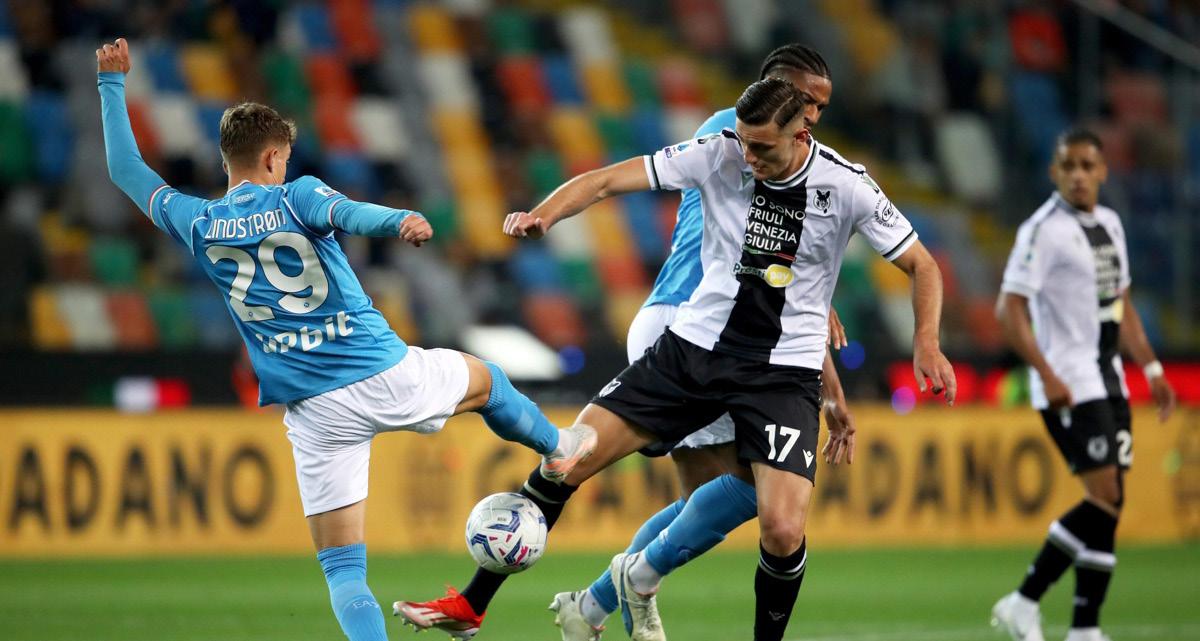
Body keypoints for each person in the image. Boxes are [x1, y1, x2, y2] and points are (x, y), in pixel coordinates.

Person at [396, 77, 955, 641]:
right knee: (568, 458)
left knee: (781, 528)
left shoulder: (847, 184)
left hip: (781, 377)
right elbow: (606, 179)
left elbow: (920, 265)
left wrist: (926, 343)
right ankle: (485, 602)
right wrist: (545, 214)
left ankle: (619, 590)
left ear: (801, 133)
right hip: (692, 350)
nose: (748, 157)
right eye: (744, 142)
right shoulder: (721, 150)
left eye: (762, 147)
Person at [95, 38, 595, 641]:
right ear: (274, 157)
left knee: (343, 572)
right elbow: (351, 213)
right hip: (382, 373)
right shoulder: (297, 195)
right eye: (284, 158)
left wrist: (111, 84)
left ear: (227, 160)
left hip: (315, 412)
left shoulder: (197, 221)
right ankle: (557, 449)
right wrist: (399, 220)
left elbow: (126, 170)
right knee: (487, 381)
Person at [542, 43, 853, 641]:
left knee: (728, 496)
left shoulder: (787, 150)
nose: (814, 116)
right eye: (807, 101)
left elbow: (784, 258)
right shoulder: (736, 134)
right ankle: (615, 590)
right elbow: (765, 251)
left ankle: (593, 606)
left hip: (723, 332)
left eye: (822, 106)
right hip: (695, 326)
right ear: (775, 89)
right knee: (744, 491)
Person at [991, 128, 1176, 641]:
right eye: (1068, 165)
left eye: (1087, 166)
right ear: (1054, 171)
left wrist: (1152, 368)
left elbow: (1122, 304)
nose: (1078, 175)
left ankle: (1085, 629)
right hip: (1069, 381)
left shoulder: (1111, 224)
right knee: (1105, 494)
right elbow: (1008, 310)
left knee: (1111, 503)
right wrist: (1046, 373)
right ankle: (1024, 600)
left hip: (1109, 379)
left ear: (1102, 171)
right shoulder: (1041, 230)